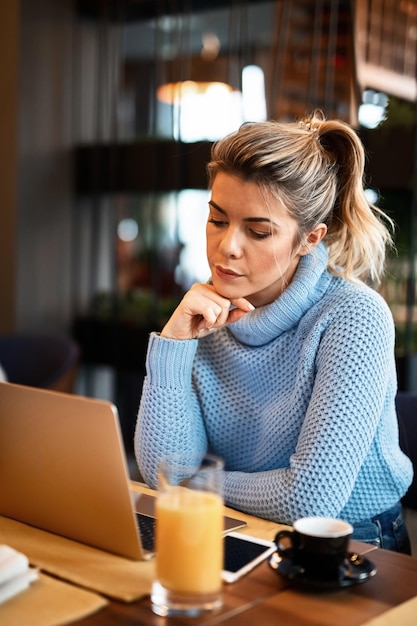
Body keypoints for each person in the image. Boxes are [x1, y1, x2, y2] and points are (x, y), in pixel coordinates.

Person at [134, 111, 413, 553]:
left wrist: (195, 481)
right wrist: (173, 343)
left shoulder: (353, 316)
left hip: (349, 541)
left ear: (309, 239)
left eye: (259, 231)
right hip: (236, 523)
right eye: (218, 220)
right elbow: (160, 472)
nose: (228, 247)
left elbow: (310, 499)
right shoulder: (205, 311)